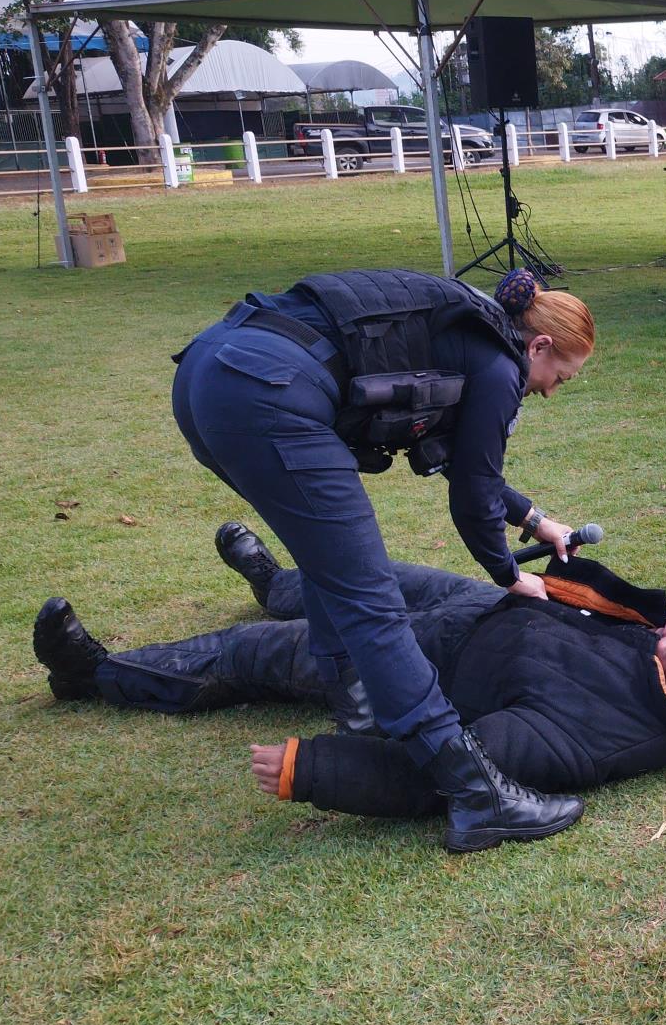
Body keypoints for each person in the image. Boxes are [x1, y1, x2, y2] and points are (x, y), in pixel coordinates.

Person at [162, 266, 595, 851]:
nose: (548, 391)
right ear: (538, 345)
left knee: (328, 565)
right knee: (370, 601)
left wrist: (534, 520)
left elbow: (460, 458)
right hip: (270, 395)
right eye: (558, 378)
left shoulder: (466, 326)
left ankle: (360, 713)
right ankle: (476, 794)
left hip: (210, 373)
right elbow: (472, 497)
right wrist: (509, 574)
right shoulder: (500, 365)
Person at [32, 526, 666, 837]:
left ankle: (94, 675)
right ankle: (273, 580)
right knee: (360, 571)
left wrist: (312, 769)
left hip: (422, 658)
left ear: (665, 687)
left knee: (253, 654)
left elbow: (448, 773)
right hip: (490, 602)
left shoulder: (579, 740)